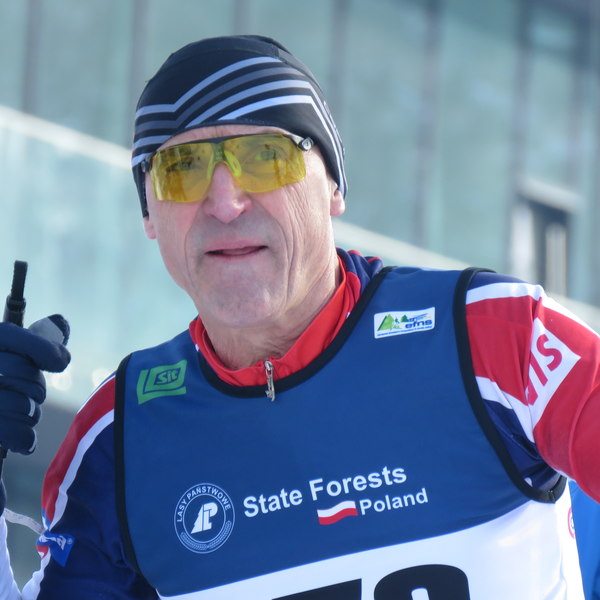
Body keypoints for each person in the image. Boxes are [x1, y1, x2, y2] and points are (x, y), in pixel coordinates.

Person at [0, 34, 598, 599]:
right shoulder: (119, 438)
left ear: (333, 186)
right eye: (182, 170)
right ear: (150, 216)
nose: (225, 203)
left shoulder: (494, 337)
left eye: (266, 158)